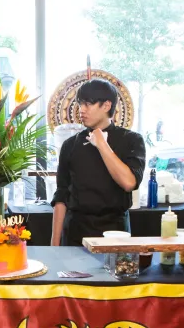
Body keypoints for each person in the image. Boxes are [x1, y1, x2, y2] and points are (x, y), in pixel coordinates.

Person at [51, 79, 146, 246]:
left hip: (115, 232)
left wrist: (102, 144)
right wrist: (54, 244)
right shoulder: (70, 144)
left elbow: (129, 183)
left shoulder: (131, 140)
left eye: (88, 104)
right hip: (75, 232)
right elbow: (61, 195)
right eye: (80, 104)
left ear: (106, 105)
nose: (82, 110)